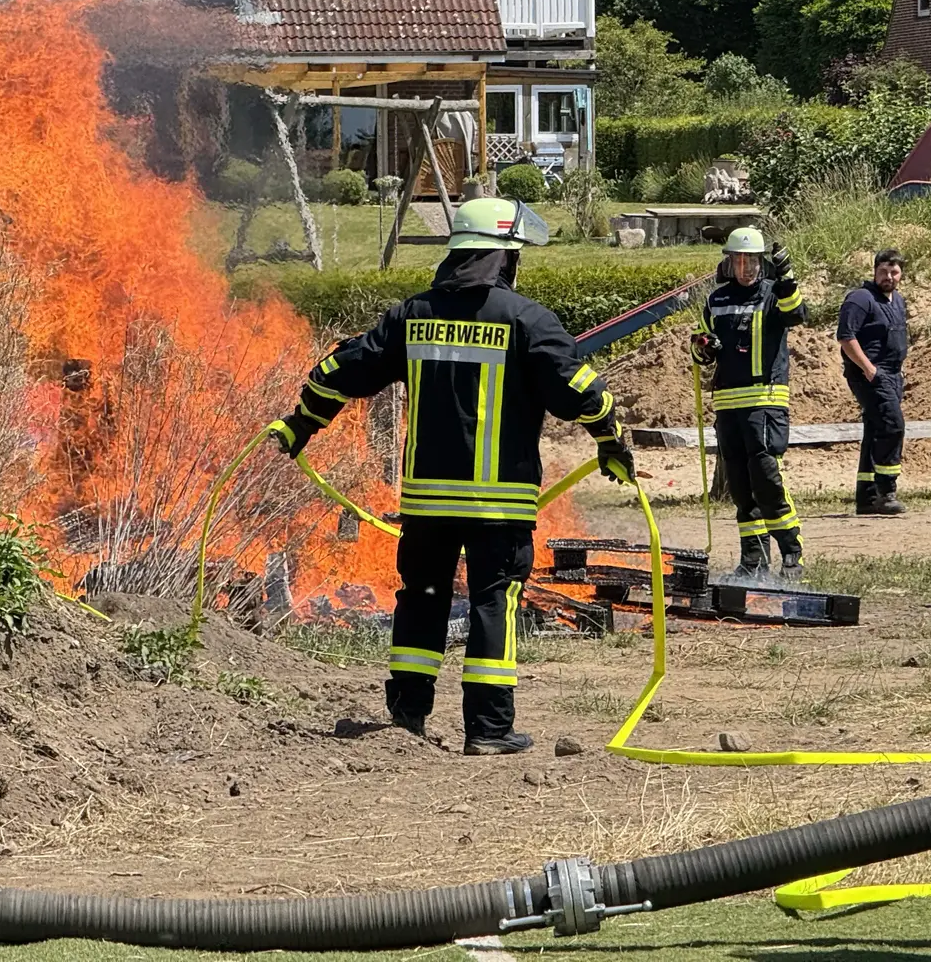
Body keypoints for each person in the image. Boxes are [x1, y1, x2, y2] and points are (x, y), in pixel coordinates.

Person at [271, 196, 637, 757]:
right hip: (499, 503)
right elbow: (583, 394)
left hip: (428, 500)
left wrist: (299, 428)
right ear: (503, 259)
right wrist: (612, 444)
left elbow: (335, 374)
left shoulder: (411, 315)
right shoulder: (527, 320)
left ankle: (407, 717)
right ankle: (489, 730)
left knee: (421, 596)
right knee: (494, 600)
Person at [691, 227, 808, 577]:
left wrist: (787, 278)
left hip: (765, 400)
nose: (746, 267)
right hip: (727, 403)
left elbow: (796, 314)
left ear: (761, 262)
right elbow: (700, 348)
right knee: (740, 485)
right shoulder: (716, 300)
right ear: (729, 261)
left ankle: (791, 552)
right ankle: (753, 560)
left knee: (767, 476)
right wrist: (703, 347)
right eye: (739, 260)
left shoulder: (774, 293)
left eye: (753, 260)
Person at [837, 247, 909, 516]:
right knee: (893, 426)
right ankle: (886, 492)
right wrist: (869, 370)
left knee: (876, 429)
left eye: (894, 272)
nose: (888, 276)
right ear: (874, 271)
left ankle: (866, 498)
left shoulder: (897, 301)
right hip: (870, 374)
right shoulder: (860, 299)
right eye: (883, 271)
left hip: (893, 375)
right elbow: (846, 337)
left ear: (901, 274)